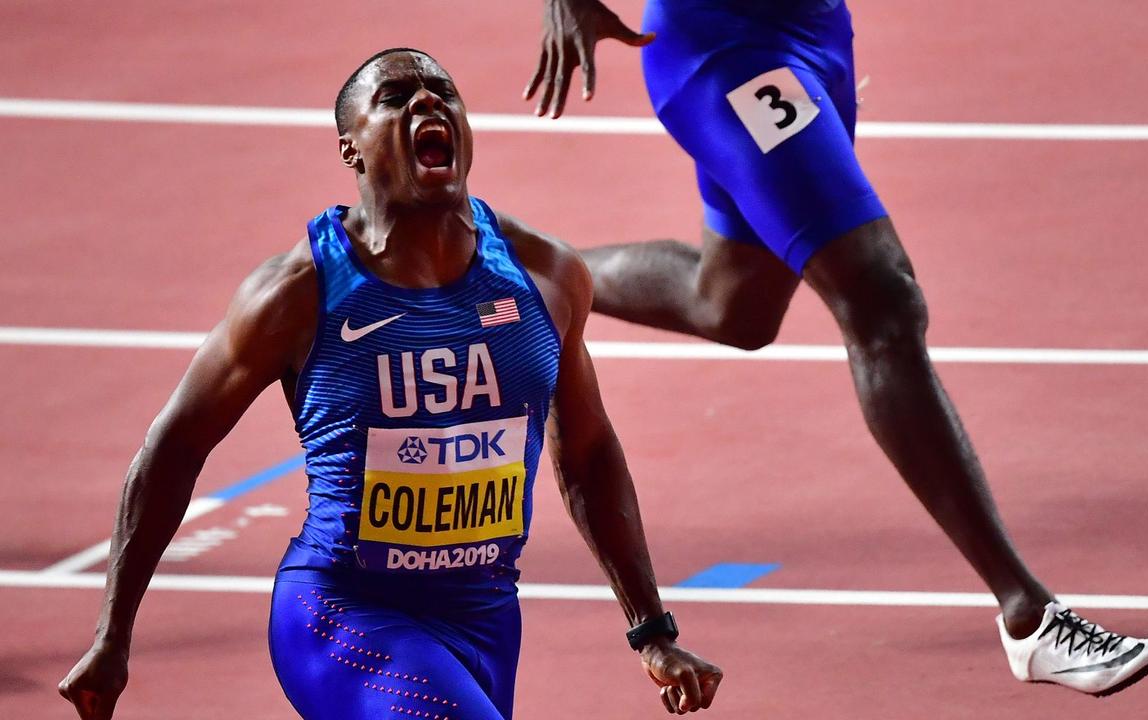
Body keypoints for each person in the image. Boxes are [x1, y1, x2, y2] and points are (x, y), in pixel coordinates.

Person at [523, 0, 1148, 696]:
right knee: (880, 299)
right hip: (727, 54)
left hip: (816, 32)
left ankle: (528, 270)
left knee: (733, 304)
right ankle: (1029, 617)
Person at [59, 48, 723, 720]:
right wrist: (112, 636)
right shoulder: (296, 294)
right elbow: (172, 448)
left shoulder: (544, 276)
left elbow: (585, 453)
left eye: (442, 91)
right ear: (351, 149)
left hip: (486, 617)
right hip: (344, 612)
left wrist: (652, 631)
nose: (427, 102)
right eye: (396, 96)